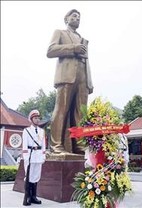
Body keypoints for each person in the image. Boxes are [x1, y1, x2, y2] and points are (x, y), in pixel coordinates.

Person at [48, 9, 93, 155]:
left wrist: (89, 81)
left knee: (81, 113)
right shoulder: (60, 32)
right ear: (66, 19)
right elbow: (51, 50)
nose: (77, 18)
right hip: (67, 75)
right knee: (62, 109)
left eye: (79, 17)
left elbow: (87, 62)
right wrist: (73, 48)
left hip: (82, 77)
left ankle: (79, 145)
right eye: (74, 16)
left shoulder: (82, 38)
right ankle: (56, 145)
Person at [22, 110, 46, 205]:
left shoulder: (41, 131)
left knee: (36, 176)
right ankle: (27, 196)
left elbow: (43, 144)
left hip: (38, 155)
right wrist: (26, 157)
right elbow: (24, 145)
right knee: (28, 176)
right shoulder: (26, 131)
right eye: (35, 118)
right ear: (31, 119)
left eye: (38, 118)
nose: (37, 120)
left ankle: (33, 196)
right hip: (30, 155)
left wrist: (43, 155)